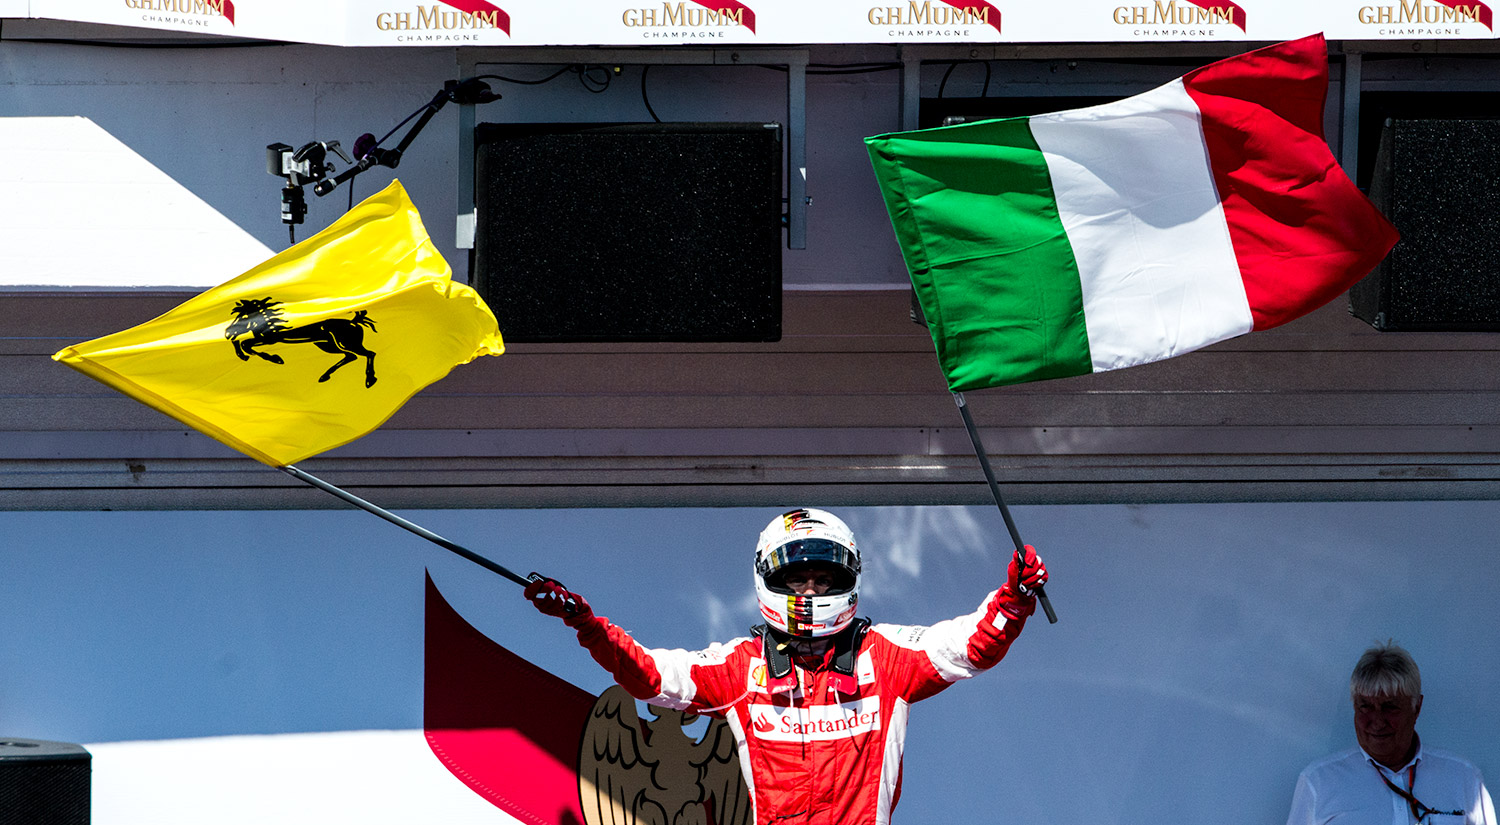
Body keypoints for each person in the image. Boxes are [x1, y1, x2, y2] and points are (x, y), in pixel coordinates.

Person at [524, 507, 1047, 825]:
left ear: (848, 580)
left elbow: (970, 646)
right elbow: (651, 678)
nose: (812, 590)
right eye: (798, 578)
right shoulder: (739, 667)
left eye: (824, 577)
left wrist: (1016, 597)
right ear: (769, 580)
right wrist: (586, 624)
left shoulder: (886, 655)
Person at [1286, 641, 1496, 825]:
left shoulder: (1464, 779)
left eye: (1390, 707)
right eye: (1365, 706)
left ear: (1417, 708)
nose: (1377, 722)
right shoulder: (1318, 782)